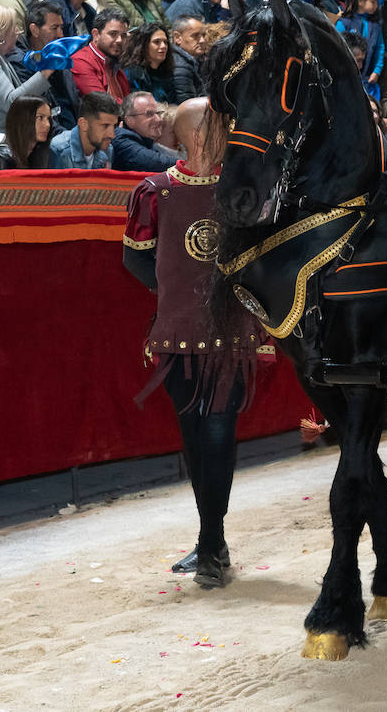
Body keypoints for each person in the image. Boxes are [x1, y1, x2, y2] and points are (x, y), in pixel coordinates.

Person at [123, 97, 261, 587]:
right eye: (212, 125)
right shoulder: (155, 191)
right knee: (194, 435)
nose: (221, 131)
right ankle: (212, 542)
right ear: (188, 135)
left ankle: (209, 544)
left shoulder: (243, 189)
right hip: (177, 336)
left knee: (218, 432)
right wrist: (177, 294)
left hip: (230, 334)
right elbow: (135, 259)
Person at [0, 1, 52, 133]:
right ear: (1, 35)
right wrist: (46, 71)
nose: (18, 33)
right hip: (0, 139)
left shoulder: (0, 56)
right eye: (14, 28)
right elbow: (12, 103)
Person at [70, 7, 131, 101]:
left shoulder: (115, 62)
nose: (119, 40)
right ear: (96, 34)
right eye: (113, 34)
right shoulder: (80, 61)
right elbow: (101, 104)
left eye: (123, 36)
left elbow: (128, 101)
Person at [112, 89, 178, 171]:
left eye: (158, 113)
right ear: (130, 121)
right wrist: (187, 165)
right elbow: (155, 163)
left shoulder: (145, 141)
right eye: (149, 114)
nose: (159, 120)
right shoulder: (121, 139)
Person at [50, 88, 119, 168]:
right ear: (83, 124)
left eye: (114, 126)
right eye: (105, 126)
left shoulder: (107, 150)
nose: (112, 135)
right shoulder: (58, 151)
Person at [0, 95, 53, 169]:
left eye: (48, 118)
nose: (47, 125)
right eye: (40, 118)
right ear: (22, 120)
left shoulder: (38, 155)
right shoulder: (0, 158)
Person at [121, 23, 175, 106]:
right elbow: (140, 108)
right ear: (143, 45)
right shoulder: (133, 73)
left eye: (165, 42)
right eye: (157, 42)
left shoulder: (166, 72)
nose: (163, 46)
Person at [169, 15, 208, 101]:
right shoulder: (180, 67)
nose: (202, 40)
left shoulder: (199, 59)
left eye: (203, 35)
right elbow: (187, 104)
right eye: (195, 36)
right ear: (177, 38)